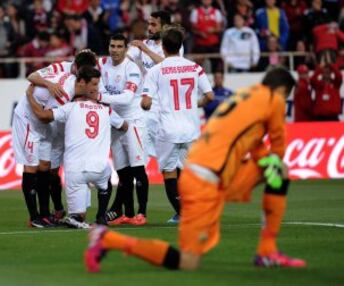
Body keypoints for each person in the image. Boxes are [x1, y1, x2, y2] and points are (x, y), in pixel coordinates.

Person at [84, 66, 307, 272]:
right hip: (209, 180)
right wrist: (270, 164)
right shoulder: (273, 100)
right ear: (281, 90)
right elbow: (278, 150)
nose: (283, 101)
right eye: (285, 96)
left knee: (276, 170)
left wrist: (264, 163)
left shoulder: (244, 96)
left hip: (195, 174)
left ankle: (107, 239)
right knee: (188, 261)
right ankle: (267, 251)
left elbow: (254, 140)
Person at [26, 66, 128, 228]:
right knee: (106, 179)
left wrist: (30, 96)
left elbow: (43, 115)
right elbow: (124, 126)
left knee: (77, 216)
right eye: (95, 84)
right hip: (99, 169)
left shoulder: (70, 108)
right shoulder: (106, 110)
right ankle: (101, 217)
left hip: (75, 172)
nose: (97, 88)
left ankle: (76, 219)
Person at [140, 26, 213, 224]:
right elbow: (209, 96)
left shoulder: (156, 70)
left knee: (170, 172)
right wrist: (192, 104)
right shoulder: (195, 67)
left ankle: (182, 214)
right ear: (180, 46)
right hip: (191, 129)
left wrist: (146, 105)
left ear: (163, 47)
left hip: (168, 130)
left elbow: (145, 102)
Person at [26, 50, 98, 224]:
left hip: (72, 129)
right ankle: (58, 209)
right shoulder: (63, 72)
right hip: (56, 127)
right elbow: (32, 77)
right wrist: (46, 85)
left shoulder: (91, 81)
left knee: (73, 171)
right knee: (51, 171)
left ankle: (80, 213)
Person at [126, 12, 185, 224]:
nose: (149, 27)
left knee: (175, 163)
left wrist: (146, 50)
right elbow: (125, 58)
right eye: (148, 24)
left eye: (153, 24)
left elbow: (167, 64)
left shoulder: (174, 45)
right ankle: (136, 210)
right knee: (140, 157)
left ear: (164, 25)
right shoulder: (142, 44)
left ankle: (183, 208)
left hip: (167, 110)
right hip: (146, 109)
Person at [97, 34, 149, 226]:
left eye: (119, 46)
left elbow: (127, 98)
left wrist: (99, 96)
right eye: (112, 46)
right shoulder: (102, 64)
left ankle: (142, 212)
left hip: (133, 121)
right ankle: (127, 213)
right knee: (123, 172)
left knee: (137, 169)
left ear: (125, 49)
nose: (115, 50)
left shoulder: (132, 68)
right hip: (115, 122)